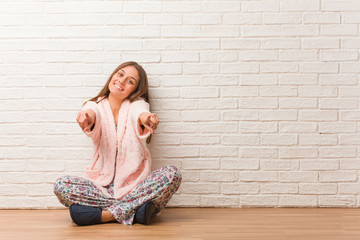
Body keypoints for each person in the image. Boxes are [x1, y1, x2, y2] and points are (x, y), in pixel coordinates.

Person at [53, 61, 182, 226]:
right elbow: (92, 113)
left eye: (130, 81)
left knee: (172, 174)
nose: (121, 81)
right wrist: (87, 118)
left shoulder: (137, 105)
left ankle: (104, 215)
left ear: (135, 90)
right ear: (113, 75)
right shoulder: (95, 104)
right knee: (61, 186)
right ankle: (136, 212)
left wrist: (146, 118)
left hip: (134, 187)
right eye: (120, 74)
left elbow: (140, 113)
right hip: (100, 188)